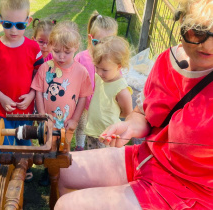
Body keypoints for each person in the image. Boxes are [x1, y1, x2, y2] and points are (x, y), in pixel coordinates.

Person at [55, 0, 213, 209]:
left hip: (190, 190)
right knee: (62, 169)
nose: (208, 45)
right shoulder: (167, 60)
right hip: (148, 158)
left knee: (68, 205)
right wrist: (129, 125)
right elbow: (144, 115)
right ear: (182, 21)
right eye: (198, 32)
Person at [0, 0, 44, 182]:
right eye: (8, 24)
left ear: (28, 21)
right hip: (2, 110)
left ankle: (24, 165)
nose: (13, 30)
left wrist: (31, 94)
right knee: (4, 143)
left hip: (25, 110)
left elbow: (39, 74)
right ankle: (5, 168)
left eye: (20, 25)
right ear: (0, 20)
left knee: (24, 141)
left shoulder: (33, 47)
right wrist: (0, 97)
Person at [31, 20, 93, 186]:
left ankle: (61, 173)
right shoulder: (45, 68)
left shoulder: (81, 72)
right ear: (51, 45)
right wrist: (42, 114)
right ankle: (48, 170)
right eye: (57, 51)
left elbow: (83, 96)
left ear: (76, 47)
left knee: (63, 148)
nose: (61, 56)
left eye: (67, 52)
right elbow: (38, 90)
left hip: (66, 122)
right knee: (47, 146)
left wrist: (74, 119)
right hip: (48, 122)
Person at [74, 11, 118, 151]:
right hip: (84, 103)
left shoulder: (113, 61)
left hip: (102, 106)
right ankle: (80, 147)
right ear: (90, 38)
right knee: (82, 127)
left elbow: (117, 81)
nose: (100, 48)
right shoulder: (81, 57)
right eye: (96, 42)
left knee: (100, 132)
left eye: (107, 43)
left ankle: (100, 153)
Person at [84, 36, 133, 150]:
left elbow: (128, 113)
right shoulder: (99, 78)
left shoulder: (121, 90)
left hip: (108, 136)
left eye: (104, 70)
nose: (99, 73)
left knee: (103, 163)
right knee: (91, 160)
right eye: (97, 67)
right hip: (92, 130)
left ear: (118, 66)